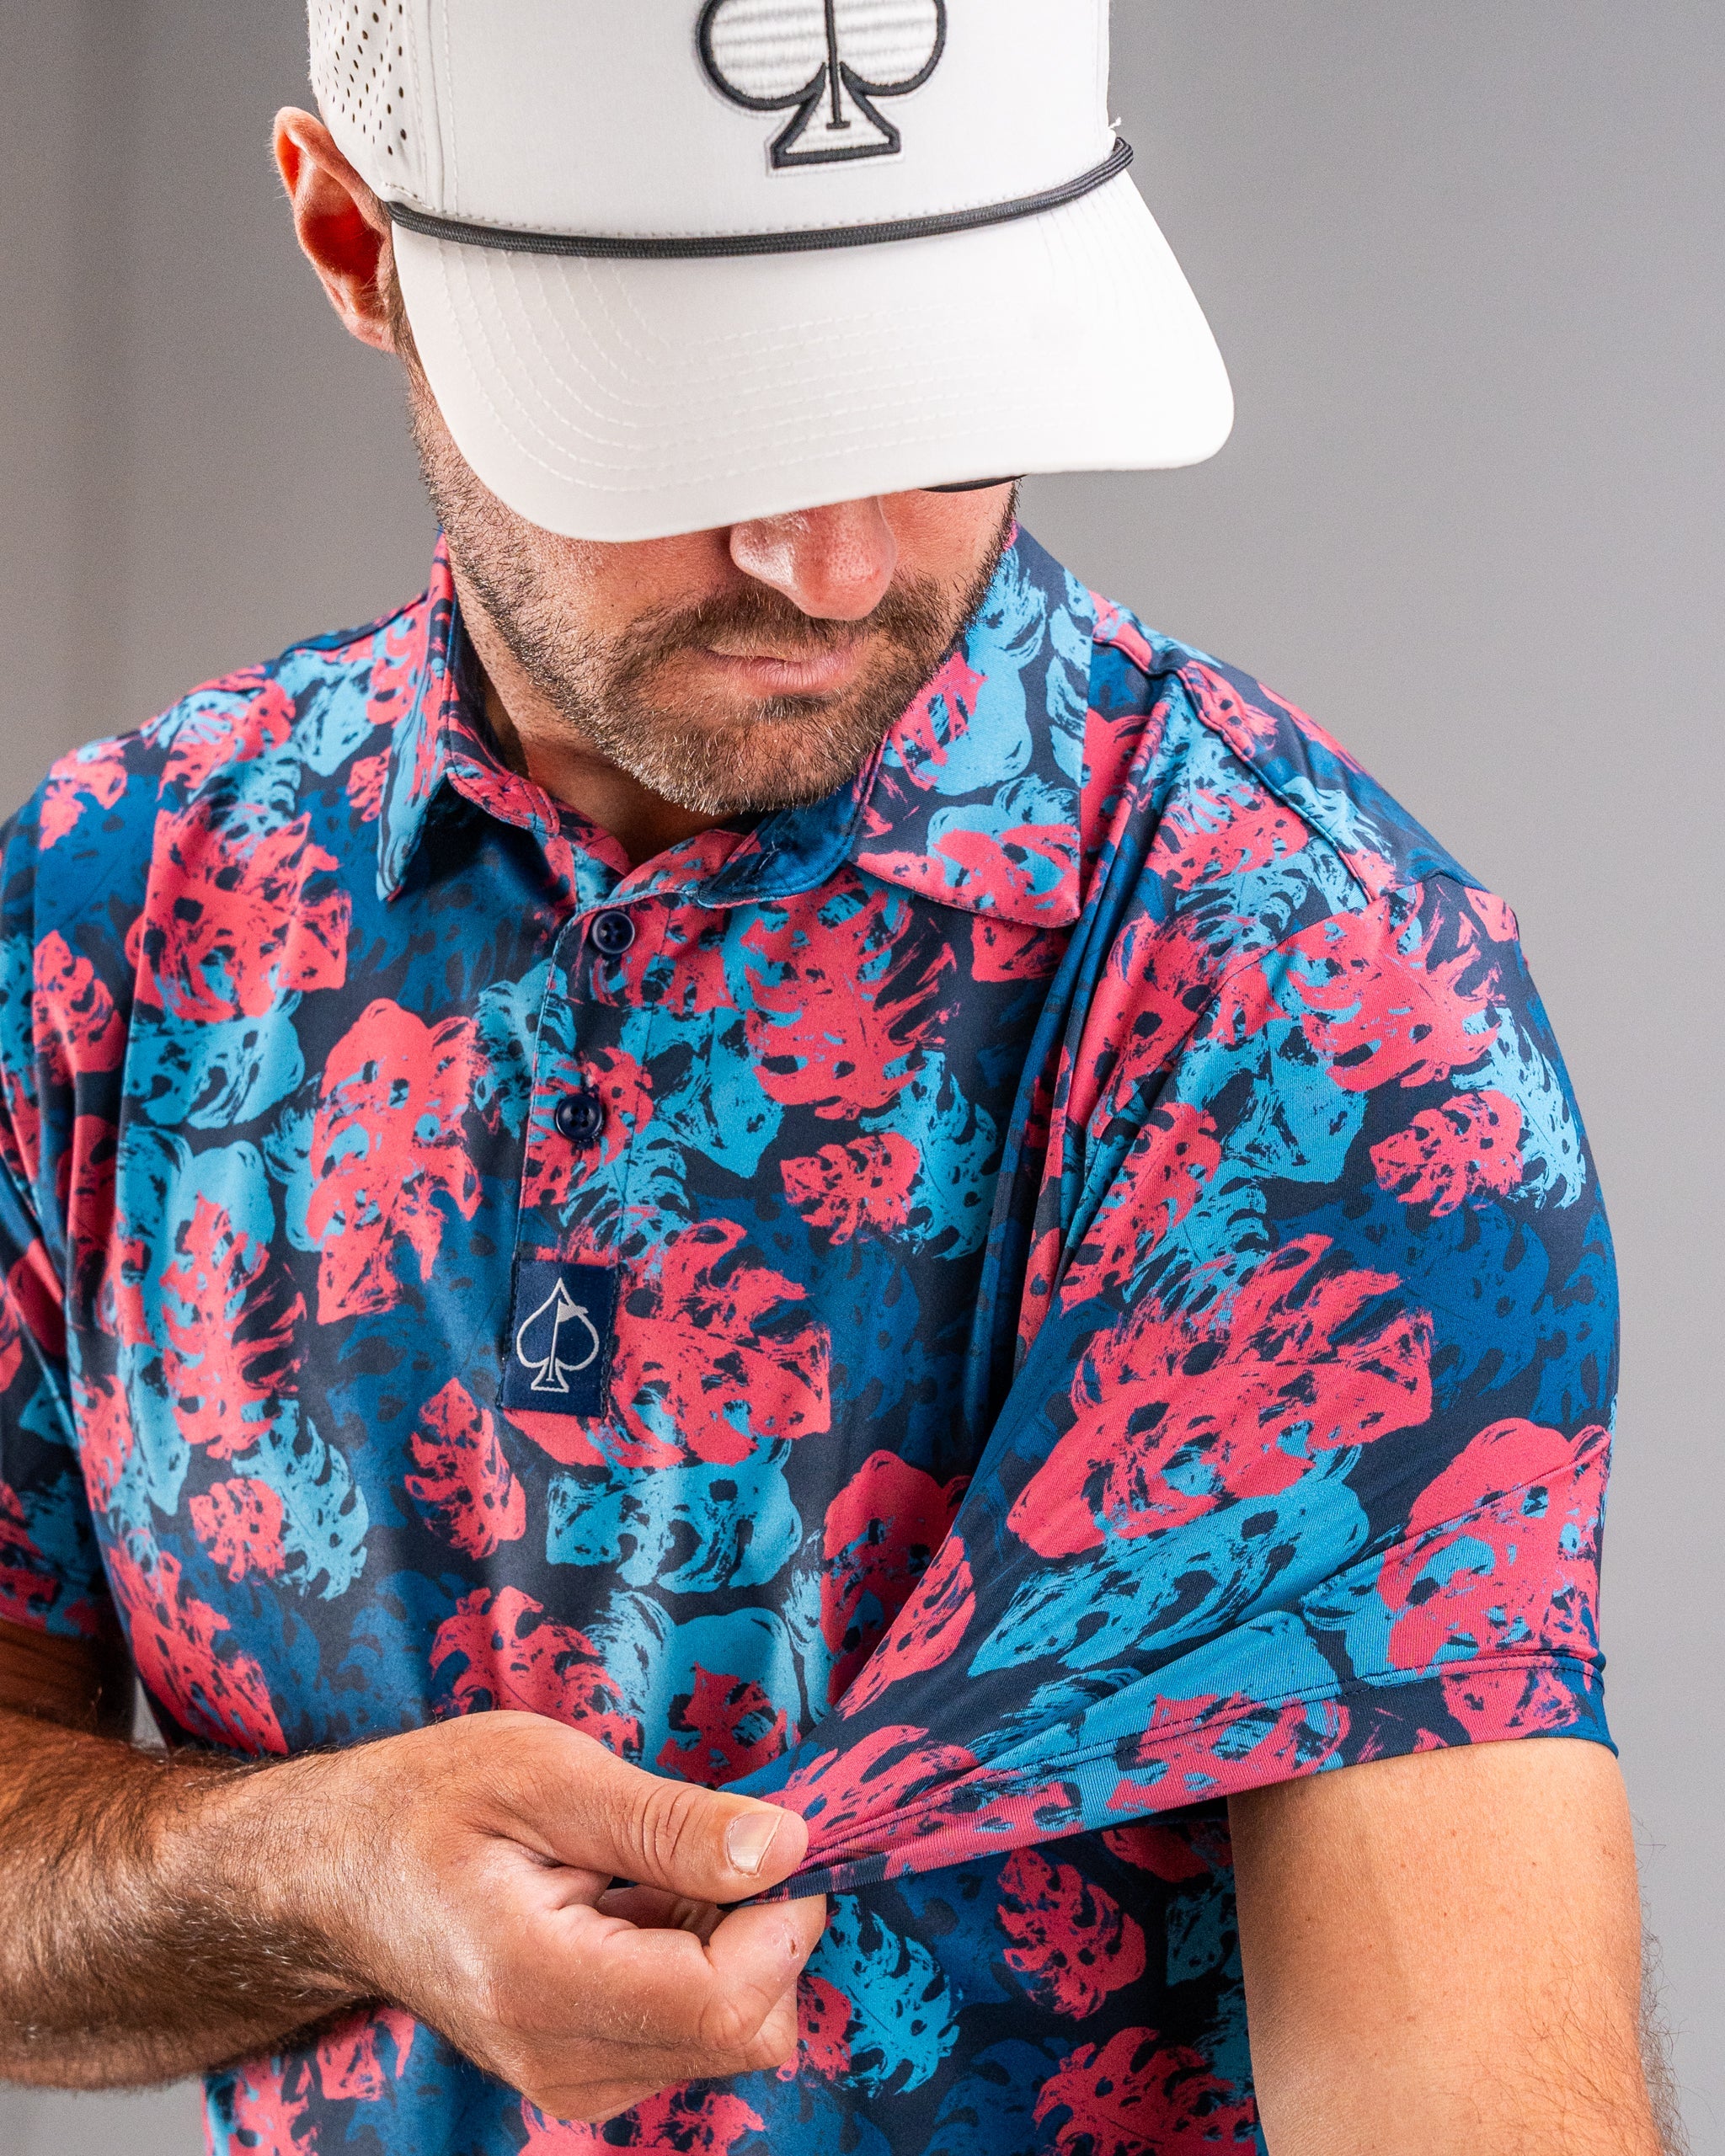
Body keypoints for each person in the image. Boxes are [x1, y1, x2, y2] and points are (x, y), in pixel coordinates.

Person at [0, 4, 1674, 2152]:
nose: (836, 560)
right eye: (691, 418)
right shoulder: (113, 910)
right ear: (354, 242)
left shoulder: (1309, 1007)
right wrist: (308, 1867)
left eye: (940, 388)